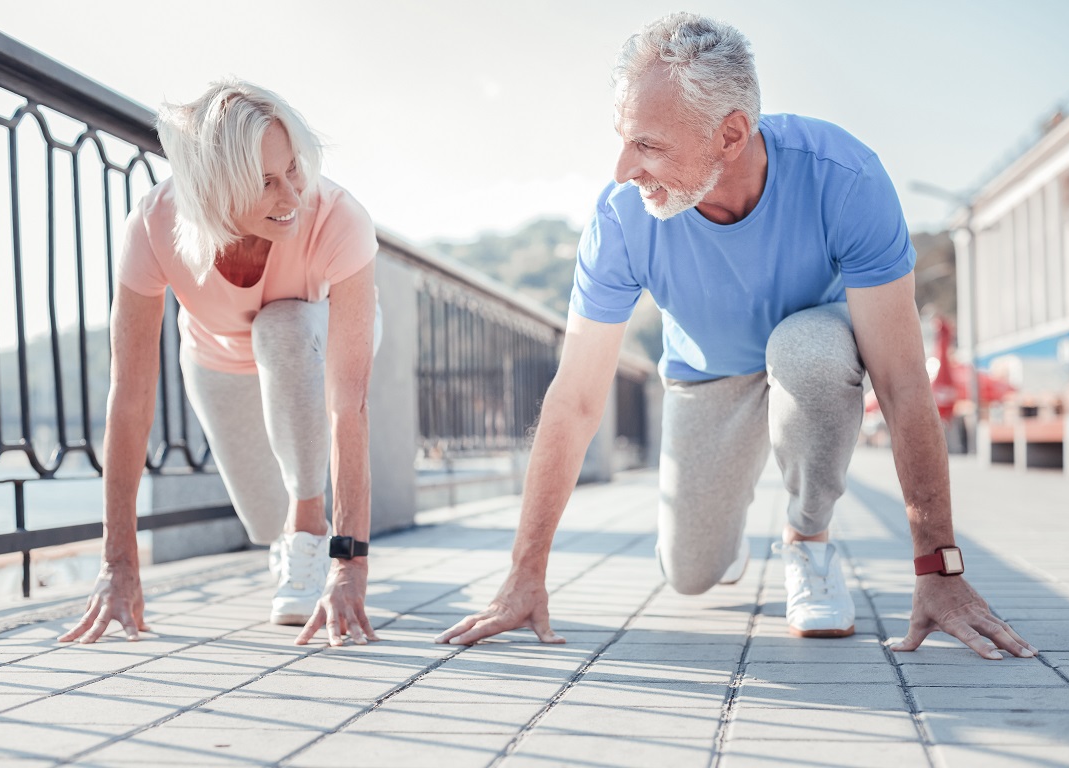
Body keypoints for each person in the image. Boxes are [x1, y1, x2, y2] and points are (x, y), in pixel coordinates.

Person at [436, 13, 1037, 661]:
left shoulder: (846, 179)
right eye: (622, 139)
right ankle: (724, 531)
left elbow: (900, 382)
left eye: (648, 144)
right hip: (707, 373)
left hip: (812, 354)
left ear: (730, 134)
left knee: (806, 350)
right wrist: (525, 573)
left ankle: (808, 541)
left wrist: (939, 571)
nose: (622, 170)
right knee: (689, 572)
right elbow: (576, 398)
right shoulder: (622, 223)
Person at [59, 79, 380, 647]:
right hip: (215, 355)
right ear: (216, 190)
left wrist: (348, 565)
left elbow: (347, 404)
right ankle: (289, 530)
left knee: (282, 327)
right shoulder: (155, 227)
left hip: (312, 336)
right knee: (262, 521)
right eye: (265, 183)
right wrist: (117, 563)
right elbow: (130, 398)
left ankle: (310, 524)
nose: (291, 196)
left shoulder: (337, 218)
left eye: (294, 170)